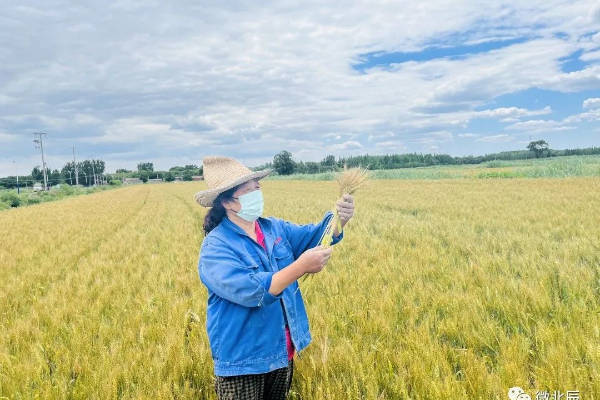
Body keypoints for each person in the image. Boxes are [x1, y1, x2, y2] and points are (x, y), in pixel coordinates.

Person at [194, 156, 355, 400]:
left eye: (258, 188)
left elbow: (314, 236)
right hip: (243, 362)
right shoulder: (216, 247)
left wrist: (339, 219)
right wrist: (300, 267)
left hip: (282, 351)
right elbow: (251, 290)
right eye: (249, 191)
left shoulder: (273, 229)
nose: (257, 194)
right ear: (228, 202)